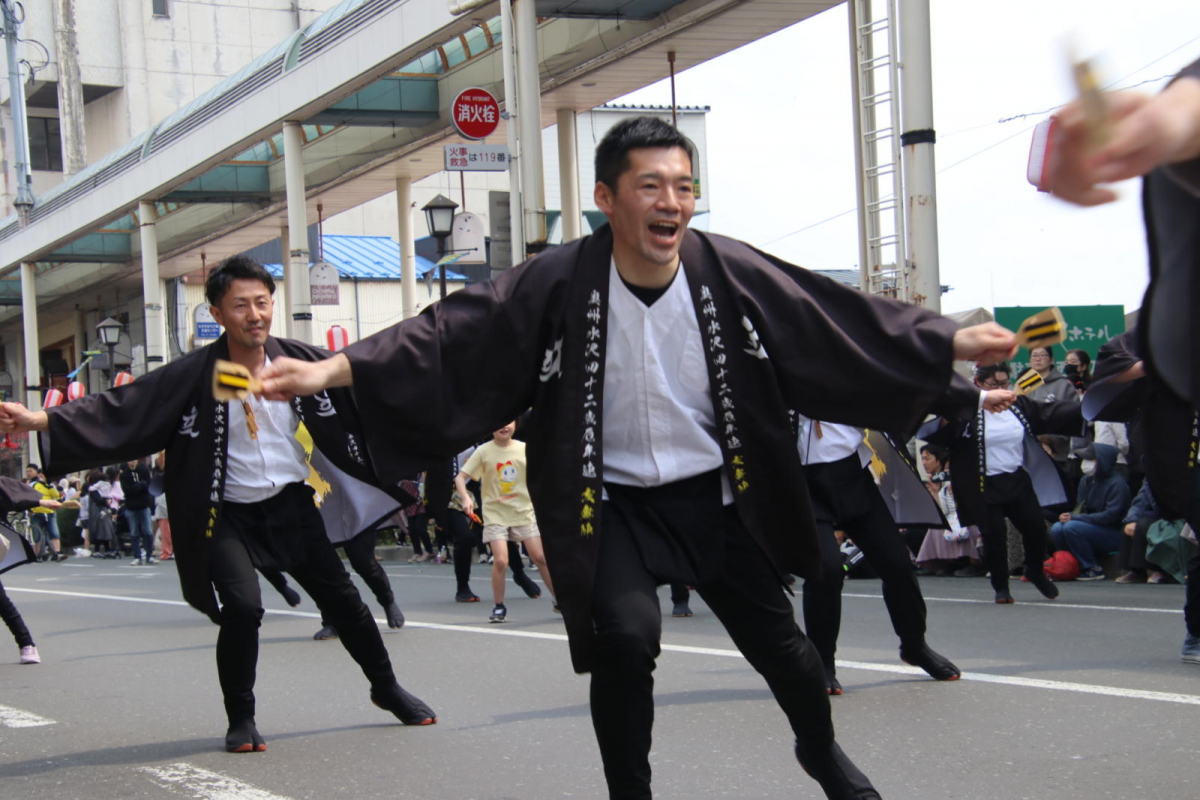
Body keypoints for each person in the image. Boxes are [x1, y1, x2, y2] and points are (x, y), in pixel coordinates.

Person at [255, 116, 1017, 799]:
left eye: (684, 187)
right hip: (608, 503)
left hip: (718, 498)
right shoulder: (558, 281)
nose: (672, 203)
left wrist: (942, 341)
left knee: (786, 652)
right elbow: (449, 333)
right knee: (624, 639)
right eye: (650, 185)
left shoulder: (728, 271)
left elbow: (828, 317)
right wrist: (328, 370)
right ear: (606, 198)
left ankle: (820, 754)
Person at [0, 256, 436, 753]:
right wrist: (39, 420)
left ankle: (386, 688)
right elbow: (123, 407)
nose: (255, 314)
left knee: (347, 603)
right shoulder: (194, 374)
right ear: (218, 312)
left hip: (291, 504)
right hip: (225, 510)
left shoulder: (298, 359)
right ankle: (242, 719)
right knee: (244, 608)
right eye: (241, 305)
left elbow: (374, 371)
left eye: (262, 303)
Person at [798, 419, 962, 696]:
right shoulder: (773, 378)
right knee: (827, 569)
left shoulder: (844, 378)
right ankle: (822, 661)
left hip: (854, 475)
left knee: (897, 563)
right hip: (802, 485)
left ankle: (914, 644)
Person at [922, 363, 1083, 604]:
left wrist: (1087, 408)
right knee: (994, 534)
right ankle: (1000, 585)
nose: (1000, 389)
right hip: (981, 483)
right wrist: (963, 406)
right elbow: (940, 430)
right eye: (993, 385)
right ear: (979, 384)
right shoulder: (967, 411)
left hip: (1016, 478)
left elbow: (1051, 413)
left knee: (1036, 527)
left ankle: (1035, 570)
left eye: (1004, 384)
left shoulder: (1018, 405)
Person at [455, 420, 557, 623]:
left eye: (508, 422)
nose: (504, 426)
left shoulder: (525, 449)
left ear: (516, 425)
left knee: (540, 557)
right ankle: (499, 606)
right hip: (495, 514)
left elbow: (543, 474)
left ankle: (560, 600)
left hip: (523, 512)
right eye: (499, 422)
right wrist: (466, 498)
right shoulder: (484, 451)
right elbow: (460, 478)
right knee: (501, 561)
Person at [1048, 443, 1131, 580]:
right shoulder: (1086, 480)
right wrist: (1070, 516)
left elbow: (1111, 517)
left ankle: (1092, 567)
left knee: (1071, 527)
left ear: (1103, 461)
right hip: (1089, 527)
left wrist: (1075, 518)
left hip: (1112, 532)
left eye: (1091, 459)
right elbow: (1081, 508)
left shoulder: (1117, 484)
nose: (1085, 463)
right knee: (1057, 528)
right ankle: (1068, 565)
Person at [914, 446, 984, 578]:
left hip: (972, 518)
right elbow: (942, 511)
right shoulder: (945, 489)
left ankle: (975, 562)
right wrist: (935, 491)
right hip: (952, 519)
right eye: (946, 470)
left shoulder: (972, 483)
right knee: (937, 527)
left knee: (967, 523)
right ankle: (948, 561)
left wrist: (960, 492)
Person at [1116, 478, 1170, 584]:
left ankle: (1162, 570)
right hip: (1155, 514)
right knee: (1132, 526)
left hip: (1173, 516)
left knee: (1145, 526)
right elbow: (1139, 502)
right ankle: (1136, 571)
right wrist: (1131, 519)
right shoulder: (1150, 478)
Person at [25, 464, 65, 562]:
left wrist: (50, 484)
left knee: (54, 533)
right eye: (27, 471)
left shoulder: (49, 485)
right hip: (36, 512)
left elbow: (57, 496)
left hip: (49, 512)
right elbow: (27, 498)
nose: (28, 473)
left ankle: (57, 553)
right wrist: (29, 510)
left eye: (30, 471)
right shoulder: (31, 484)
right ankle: (36, 555)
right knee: (36, 535)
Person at [120, 458, 155, 565]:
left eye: (134, 459)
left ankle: (149, 555)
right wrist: (140, 486)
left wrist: (137, 487)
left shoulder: (143, 471)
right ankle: (137, 556)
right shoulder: (124, 475)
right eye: (130, 459)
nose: (132, 461)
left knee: (148, 531)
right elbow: (127, 490)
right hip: (131, 506)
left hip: (144, 504)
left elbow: (148, 485)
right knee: (134, 532)